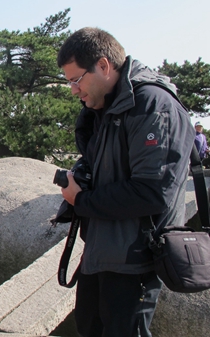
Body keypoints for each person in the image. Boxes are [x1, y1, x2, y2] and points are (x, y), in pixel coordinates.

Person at [57, 27, 194, 337]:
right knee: (90, 327)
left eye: (76, 80)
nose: (74, 91)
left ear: (104, 66)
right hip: (103, 251)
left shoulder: (152, 106)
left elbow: (152, 191)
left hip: (136, 260)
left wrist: (82, 200)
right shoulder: (106, 106)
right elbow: (104, 167)